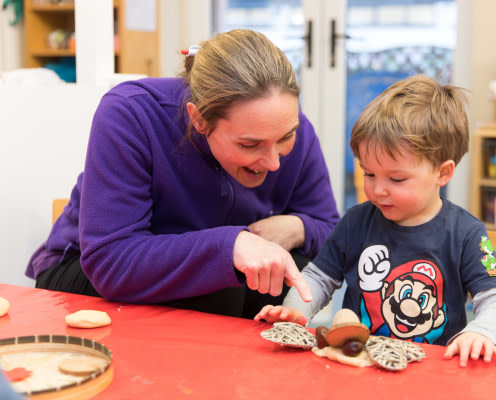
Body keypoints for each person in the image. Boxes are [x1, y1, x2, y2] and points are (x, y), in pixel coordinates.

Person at [26, 29, 339, 319]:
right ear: (199, 120)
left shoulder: (295, 129)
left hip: (211, 280)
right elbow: (110, 261)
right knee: (221, 286)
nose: (273, 163)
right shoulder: (130, 114)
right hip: (84, 270)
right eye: (250, 144)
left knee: (291, 276)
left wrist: (298, 227)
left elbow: (334, 233)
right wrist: (231, 246)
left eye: (285, 137)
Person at [255, 74, 496, 367]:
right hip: (358, 363)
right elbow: (318, 278)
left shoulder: (466, 233)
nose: (377, 190)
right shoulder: (356, 221)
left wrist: (482, 332)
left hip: (432, 372)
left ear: (442, 173)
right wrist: (296, 313)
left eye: (396, 178)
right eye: (369, 173)